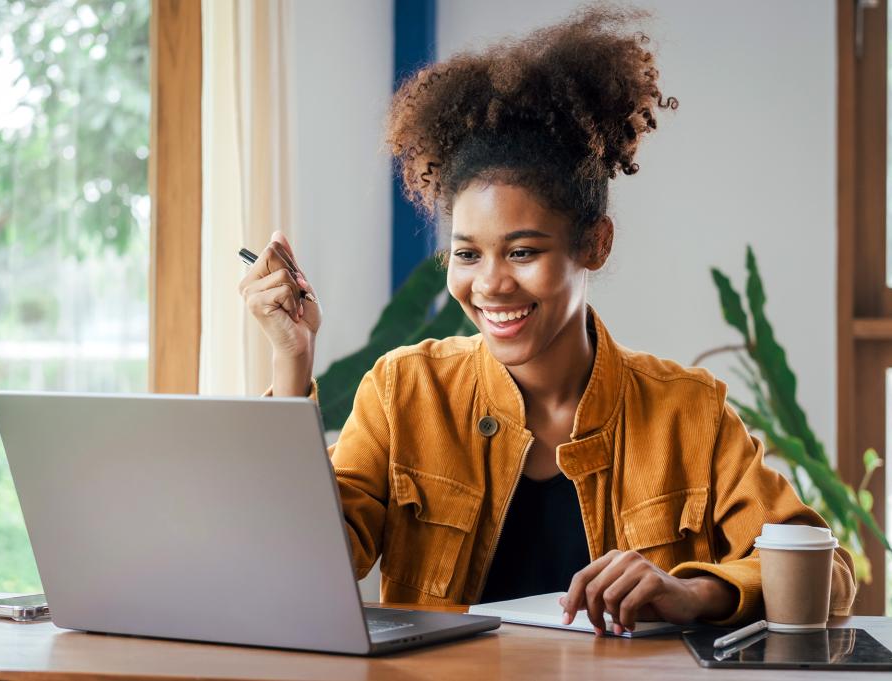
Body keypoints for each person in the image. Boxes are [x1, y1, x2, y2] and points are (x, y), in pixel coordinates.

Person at [238, 7, 855, 634]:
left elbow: (828, 579)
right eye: (467, 253)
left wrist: (695, 591)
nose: (491, 284)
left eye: (524, 251)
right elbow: (293, 570)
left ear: (595, 244)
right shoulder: (405, 393)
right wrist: (292, 359)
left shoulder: (687, 414)